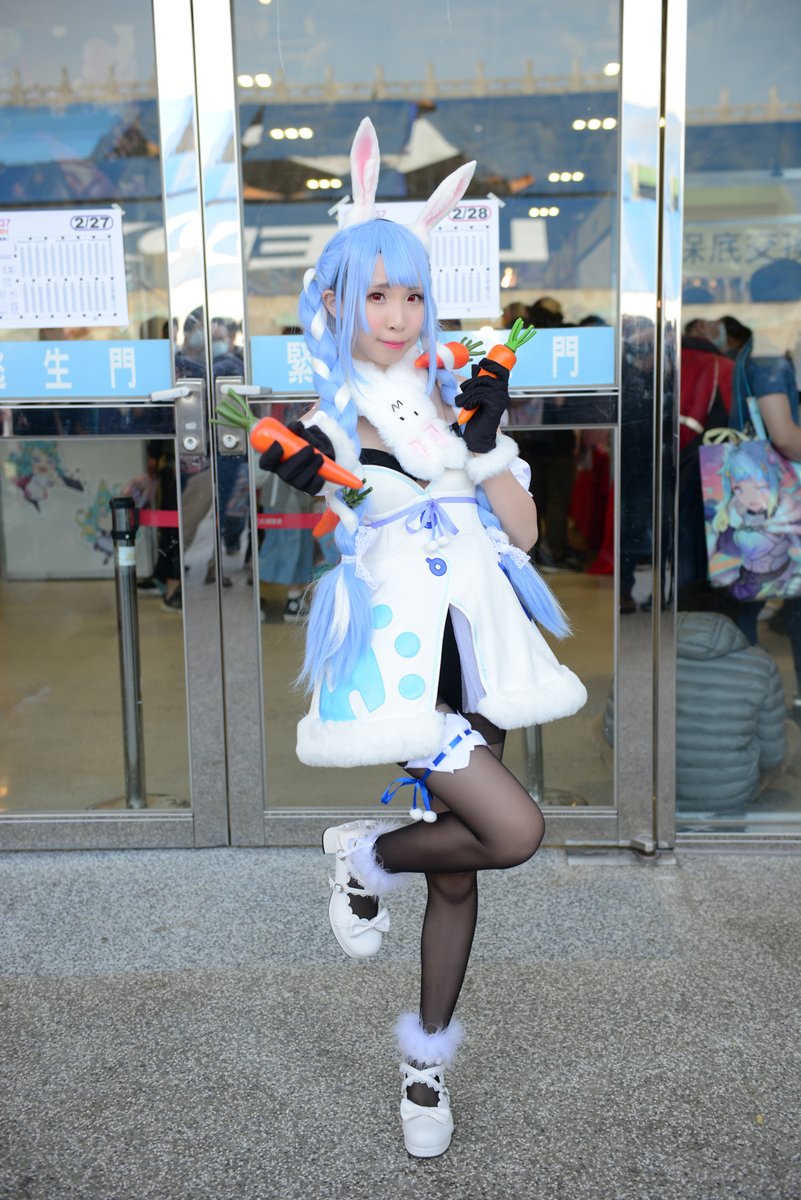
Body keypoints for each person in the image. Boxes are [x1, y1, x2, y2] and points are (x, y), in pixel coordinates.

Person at [255, 118, 586, 1159]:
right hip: (400, 662)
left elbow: (526, 534)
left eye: (410, 293)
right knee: (513, 831)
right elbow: (350, 529)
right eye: (375, 295)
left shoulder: (456, 395)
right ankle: (366, 851)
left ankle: (425, 1065)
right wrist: (322, 480)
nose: (396, 314)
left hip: (478, 651)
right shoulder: (329, 418)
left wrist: (483, 445)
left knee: (461, 870)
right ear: (335, 301)